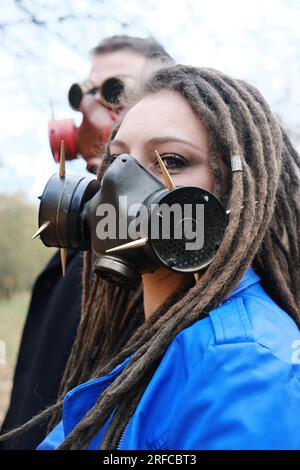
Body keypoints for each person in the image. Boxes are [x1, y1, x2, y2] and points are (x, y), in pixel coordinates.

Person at [2, 63, 300, 450]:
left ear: (236, 192)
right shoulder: (155, 334)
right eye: (116, 159)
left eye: (171, 161)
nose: (118, 187)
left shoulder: (246, 365)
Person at [0, 35, 173, 450]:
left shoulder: (162, 269)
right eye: (83, 94)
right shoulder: (73, 239)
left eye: (115, 91)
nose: (90, 111)